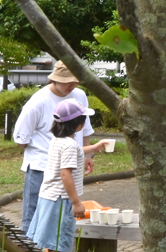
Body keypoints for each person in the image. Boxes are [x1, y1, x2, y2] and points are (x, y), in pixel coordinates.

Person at [13, 62, 97, 232]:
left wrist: (88, 155)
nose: (72, 86)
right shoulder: (38, 101)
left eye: (75, 81)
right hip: (41, 167)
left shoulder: (79, 95)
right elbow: (21, 137)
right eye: (67, 82)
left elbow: (85, 128)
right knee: (34, 216)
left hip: (71, 163)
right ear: (55, 79)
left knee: (62, 214)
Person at [25, 99, 112, 252]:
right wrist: (76, 202)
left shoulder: (58, 141)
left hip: (48, 197)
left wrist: (94, 147)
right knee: (60, 242)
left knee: (52, 242)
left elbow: (75, 151)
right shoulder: (69, 145)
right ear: (79, 124)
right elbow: (65, 174)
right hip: (61, 200)